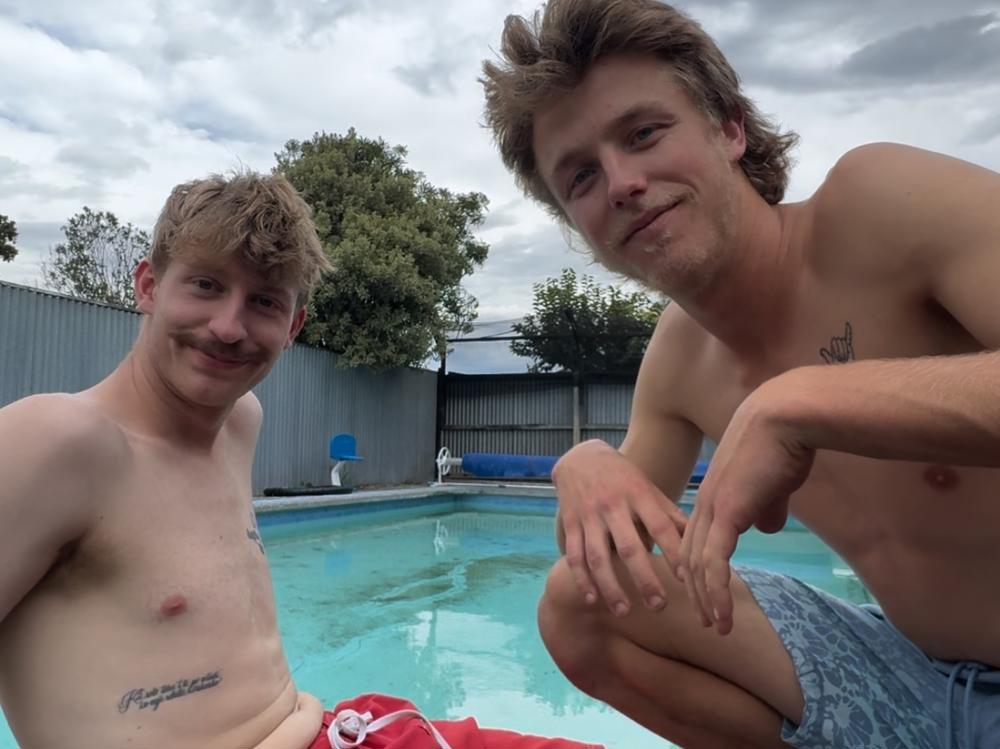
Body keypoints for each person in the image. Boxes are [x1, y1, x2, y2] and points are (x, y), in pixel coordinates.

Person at [481, 1, 1000, 748]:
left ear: (730, 128)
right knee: (576, 607)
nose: (622, 182)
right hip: (919, 679)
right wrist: (583, 466)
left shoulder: (880, 206)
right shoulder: (680, 361)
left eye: (643, 133)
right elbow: (612, 565)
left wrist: (802, 401)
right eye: (582, 177)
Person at [0, 173, 599, 749]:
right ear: (149, 286)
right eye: (205, 285)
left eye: (263, 301)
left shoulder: (240, 422)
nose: (228, 327)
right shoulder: (56, 441)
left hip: (328, 730)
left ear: (293, 326)